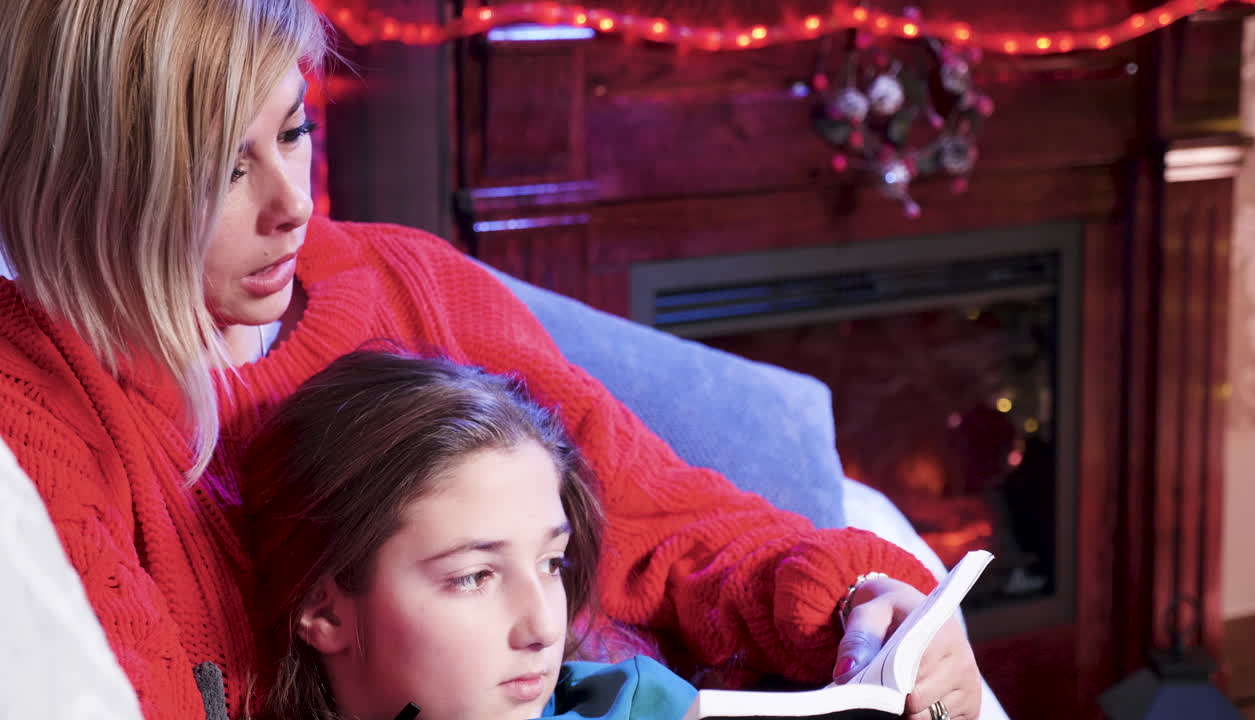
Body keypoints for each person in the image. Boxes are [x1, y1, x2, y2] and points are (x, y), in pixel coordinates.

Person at [0, 2, 981, 720]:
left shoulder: (403, 281)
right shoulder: (39, 409)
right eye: (225, 168)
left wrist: (866, 607)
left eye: (292, 132)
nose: (292, 202)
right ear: (92, 176)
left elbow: (664, 523)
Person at [242, 348, 698, 720]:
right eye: (474, 576)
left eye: (552, 563)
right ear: (324, 612)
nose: (543, 627)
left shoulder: (646, 708)